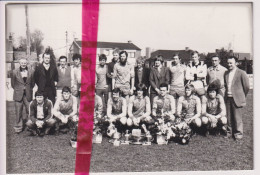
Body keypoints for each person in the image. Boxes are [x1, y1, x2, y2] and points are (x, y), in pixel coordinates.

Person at [224, 56, 249, 140]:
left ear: (236, 63)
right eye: (228, 63)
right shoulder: (226, 73)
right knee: (229, 118)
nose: (229, 64)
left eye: (231, 63)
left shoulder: (241, 72)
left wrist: (241, 96)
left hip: (237, 99)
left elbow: (246, 87)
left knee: (237, 118)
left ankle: (238, 134)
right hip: (228, 98)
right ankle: (229, 133)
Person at [11, 58, 35, 133]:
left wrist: (27, 89)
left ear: (27, 63)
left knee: (29, 110)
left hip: (28, 94)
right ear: (19, 63)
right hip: (18, 94)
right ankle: (18, 127)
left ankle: (30, 126)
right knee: (18, 111)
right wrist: (19, 89)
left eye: (25, 63)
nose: (23, 64)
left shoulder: (32, 71)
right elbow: (13, 84)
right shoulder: (14, 72)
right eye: (22, 63)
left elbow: (33, 83)